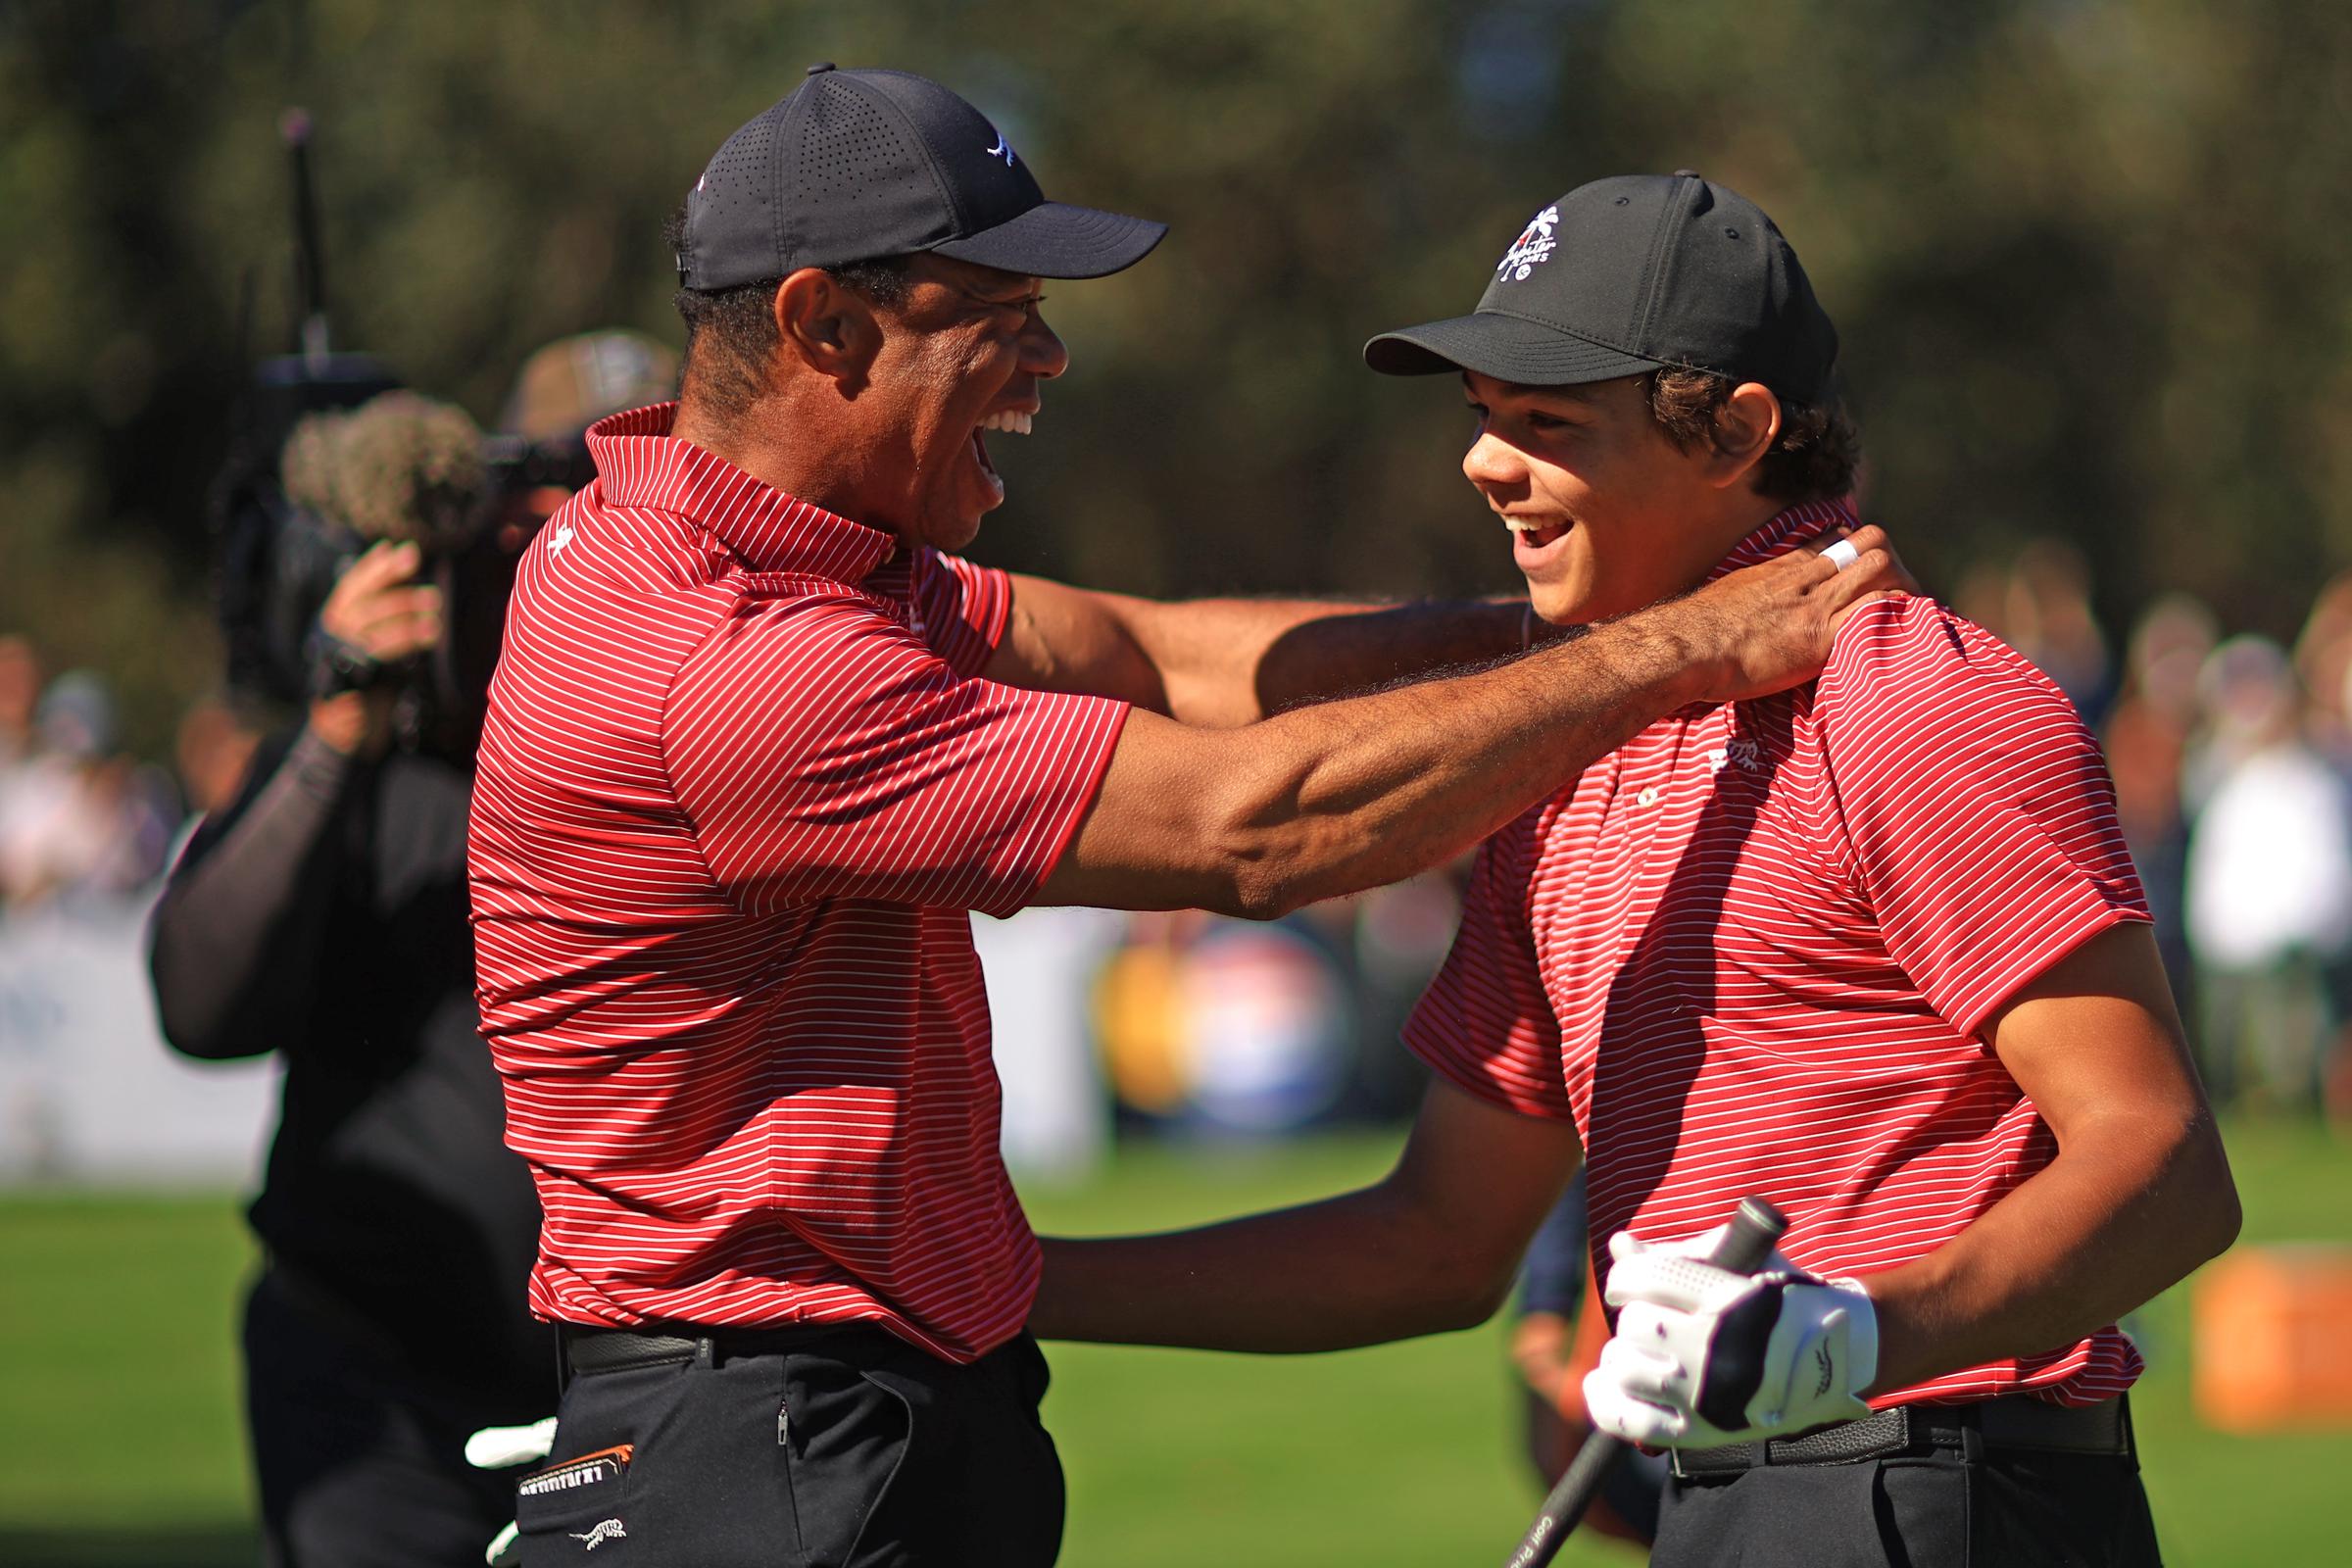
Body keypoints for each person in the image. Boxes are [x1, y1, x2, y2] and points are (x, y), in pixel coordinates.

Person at [467, 72, 1903, 1568]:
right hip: (771, 1447)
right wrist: (1685, 646)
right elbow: (1256, 833)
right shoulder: (736, 662)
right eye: (1001, 315)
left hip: (802, 1418)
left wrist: (1587, 618)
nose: (1050, 357)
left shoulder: (788, 562)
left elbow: (1173, 659)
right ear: (827, 323)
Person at [1028, 174, 2239, 1568]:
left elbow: (2166, 1167)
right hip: (1730, 1498)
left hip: (1946, 1487)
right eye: (1484, 421)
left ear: (1736, 431)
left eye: (1546, 424)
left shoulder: (1911, 699)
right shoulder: (1565, 741)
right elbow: (1437, 1236)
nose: (1484, 465)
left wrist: (1852, 1333)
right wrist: (1001, 1277)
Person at [148, 338, 673, 1568]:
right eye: (547, 504)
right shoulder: (374, 737)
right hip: (372, 1382)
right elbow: (202, 1002)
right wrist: (339, 716)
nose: (582, 543)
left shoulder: (706, 733)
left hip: (644, 1389)